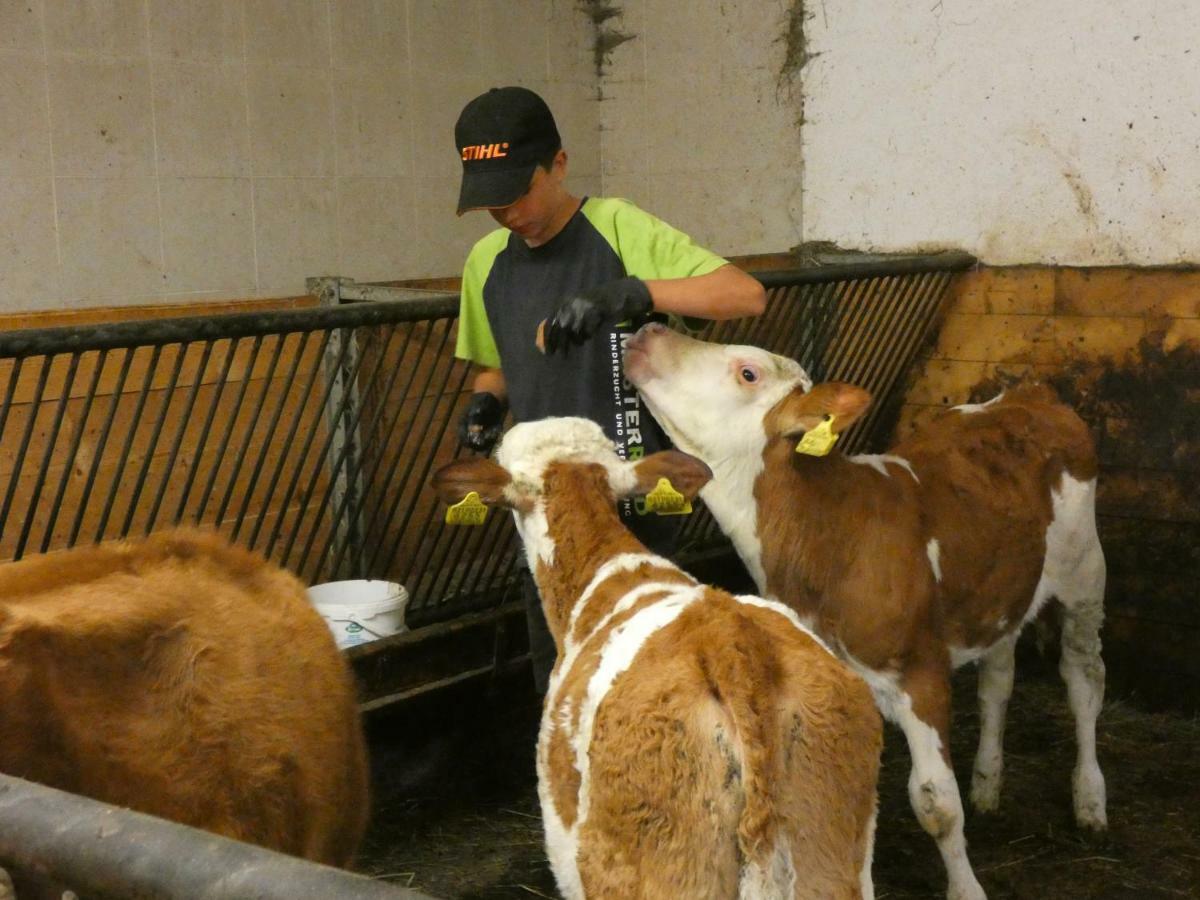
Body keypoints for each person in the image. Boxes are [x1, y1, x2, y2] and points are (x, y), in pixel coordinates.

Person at [451, 86, 765, 692]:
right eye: (493, 204)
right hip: (547, 513)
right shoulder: (486, 261)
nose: (509, 214)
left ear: (559, 165)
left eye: (520, 192)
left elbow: (745, 294)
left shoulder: (618, 228)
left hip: (637, 496)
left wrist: (636, 291)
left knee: (649, 666)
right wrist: (487, 401)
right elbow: (495, 363)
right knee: (563, 668)